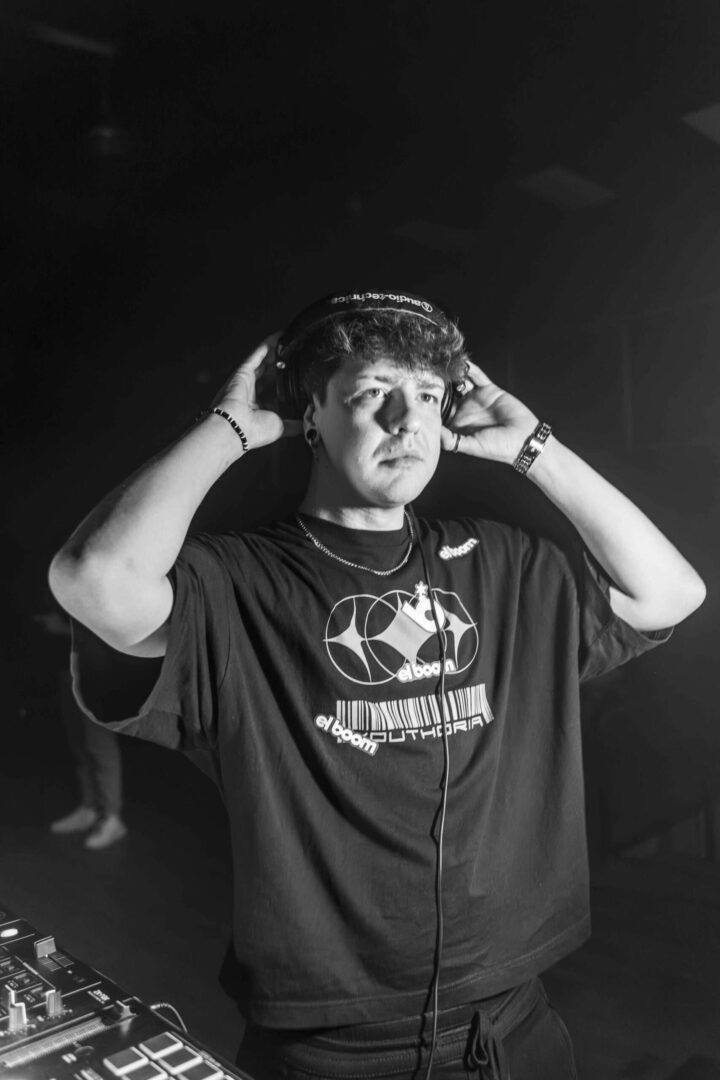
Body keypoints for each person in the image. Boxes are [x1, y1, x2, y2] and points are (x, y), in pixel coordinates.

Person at [48, 291, 705, 1079]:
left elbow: (670, 593)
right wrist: (229, 429)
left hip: (516, 1028)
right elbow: (95, 581)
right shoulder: (239, 583)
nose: (407, 420)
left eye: (427, 395)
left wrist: (535, 448)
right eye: (371, 393)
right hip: (335, 1052)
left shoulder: (502, 565)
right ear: (311, 415)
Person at [32, 609, 128, 850]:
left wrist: (62, 629)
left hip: (96, 673)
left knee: (100, 746)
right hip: (68, 670)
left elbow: (109, 633)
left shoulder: (103, 592)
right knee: (79, 744)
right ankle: (90, 808)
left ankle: (112, 818)